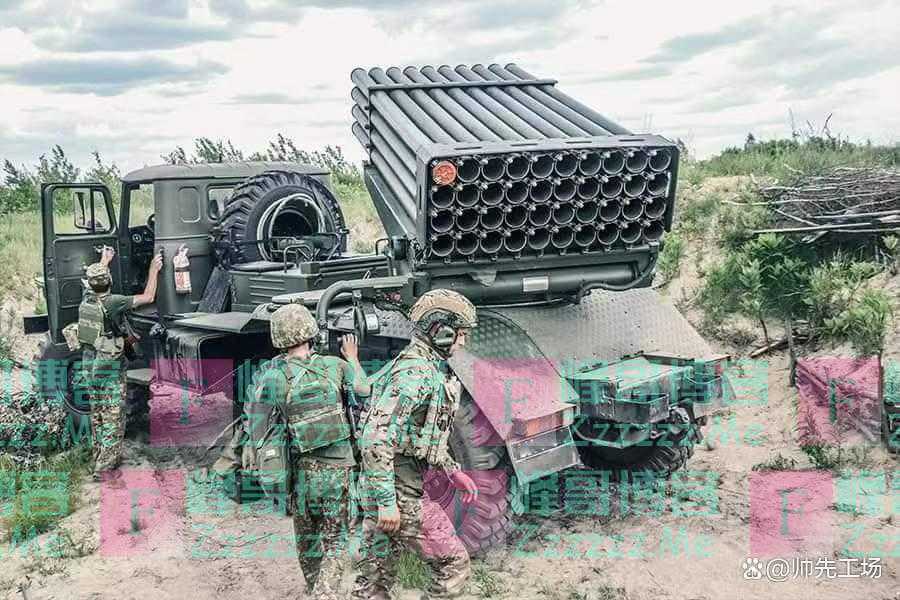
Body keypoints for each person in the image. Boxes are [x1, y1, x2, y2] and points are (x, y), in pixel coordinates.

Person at [353, 289, 479, 600]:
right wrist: (386, 503)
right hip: (396, 491)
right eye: (460, 334)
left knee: (375, 579)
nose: (463, 342)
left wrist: (451, 470)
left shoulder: (421, 365)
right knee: (453, 563)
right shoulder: (416, 374)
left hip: (386, 486)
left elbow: (420, 432)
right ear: (441, 331)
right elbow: (376, 436)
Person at [248, 303, 370, 600]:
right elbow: (364, 390)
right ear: (310, 332)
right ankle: (324, 595)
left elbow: (258, 427)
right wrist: (352, 359)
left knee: (306, 540)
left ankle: (315, 589)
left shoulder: (274, 378)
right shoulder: (335, 366)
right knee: (336, 542)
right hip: (338, 470)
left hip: (302, 472)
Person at [76, 246, 162, 480]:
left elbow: (96, 280)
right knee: (114, 415)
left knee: (99, 413)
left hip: (90, 365)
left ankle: (99, 456)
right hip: (109, 368)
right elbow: (148, 297)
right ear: (109, 281)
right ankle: (105, 469)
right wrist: (154, 269)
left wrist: (104, 259)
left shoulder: (87, 300)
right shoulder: (114, 302)